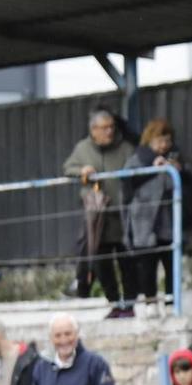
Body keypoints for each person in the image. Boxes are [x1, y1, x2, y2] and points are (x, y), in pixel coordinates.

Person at [121, 117, 192, 313]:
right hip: (145, 223)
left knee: (171, 263)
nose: (164, 145)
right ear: (149, 140)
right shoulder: (138, 159)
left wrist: (179, 171)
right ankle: (150, 304)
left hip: (170, 222)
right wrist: (152, 169)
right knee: (147, 266)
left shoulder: (177, 158)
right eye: (160, 140)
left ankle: (170, 304)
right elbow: (127, 183)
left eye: (167, 140)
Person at [62, 107, 134, 302]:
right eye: (103, 128)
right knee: (102, 264)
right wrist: (82, 170)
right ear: (93, 130)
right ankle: (113, 301)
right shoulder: (82, 148)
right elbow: (68, 168)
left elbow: (137, 169)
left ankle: (128, 304)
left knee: (127, 263)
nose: (109, 131)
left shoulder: (125, 148)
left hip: (121, 217)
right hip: (97, 218)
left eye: (111, 127)